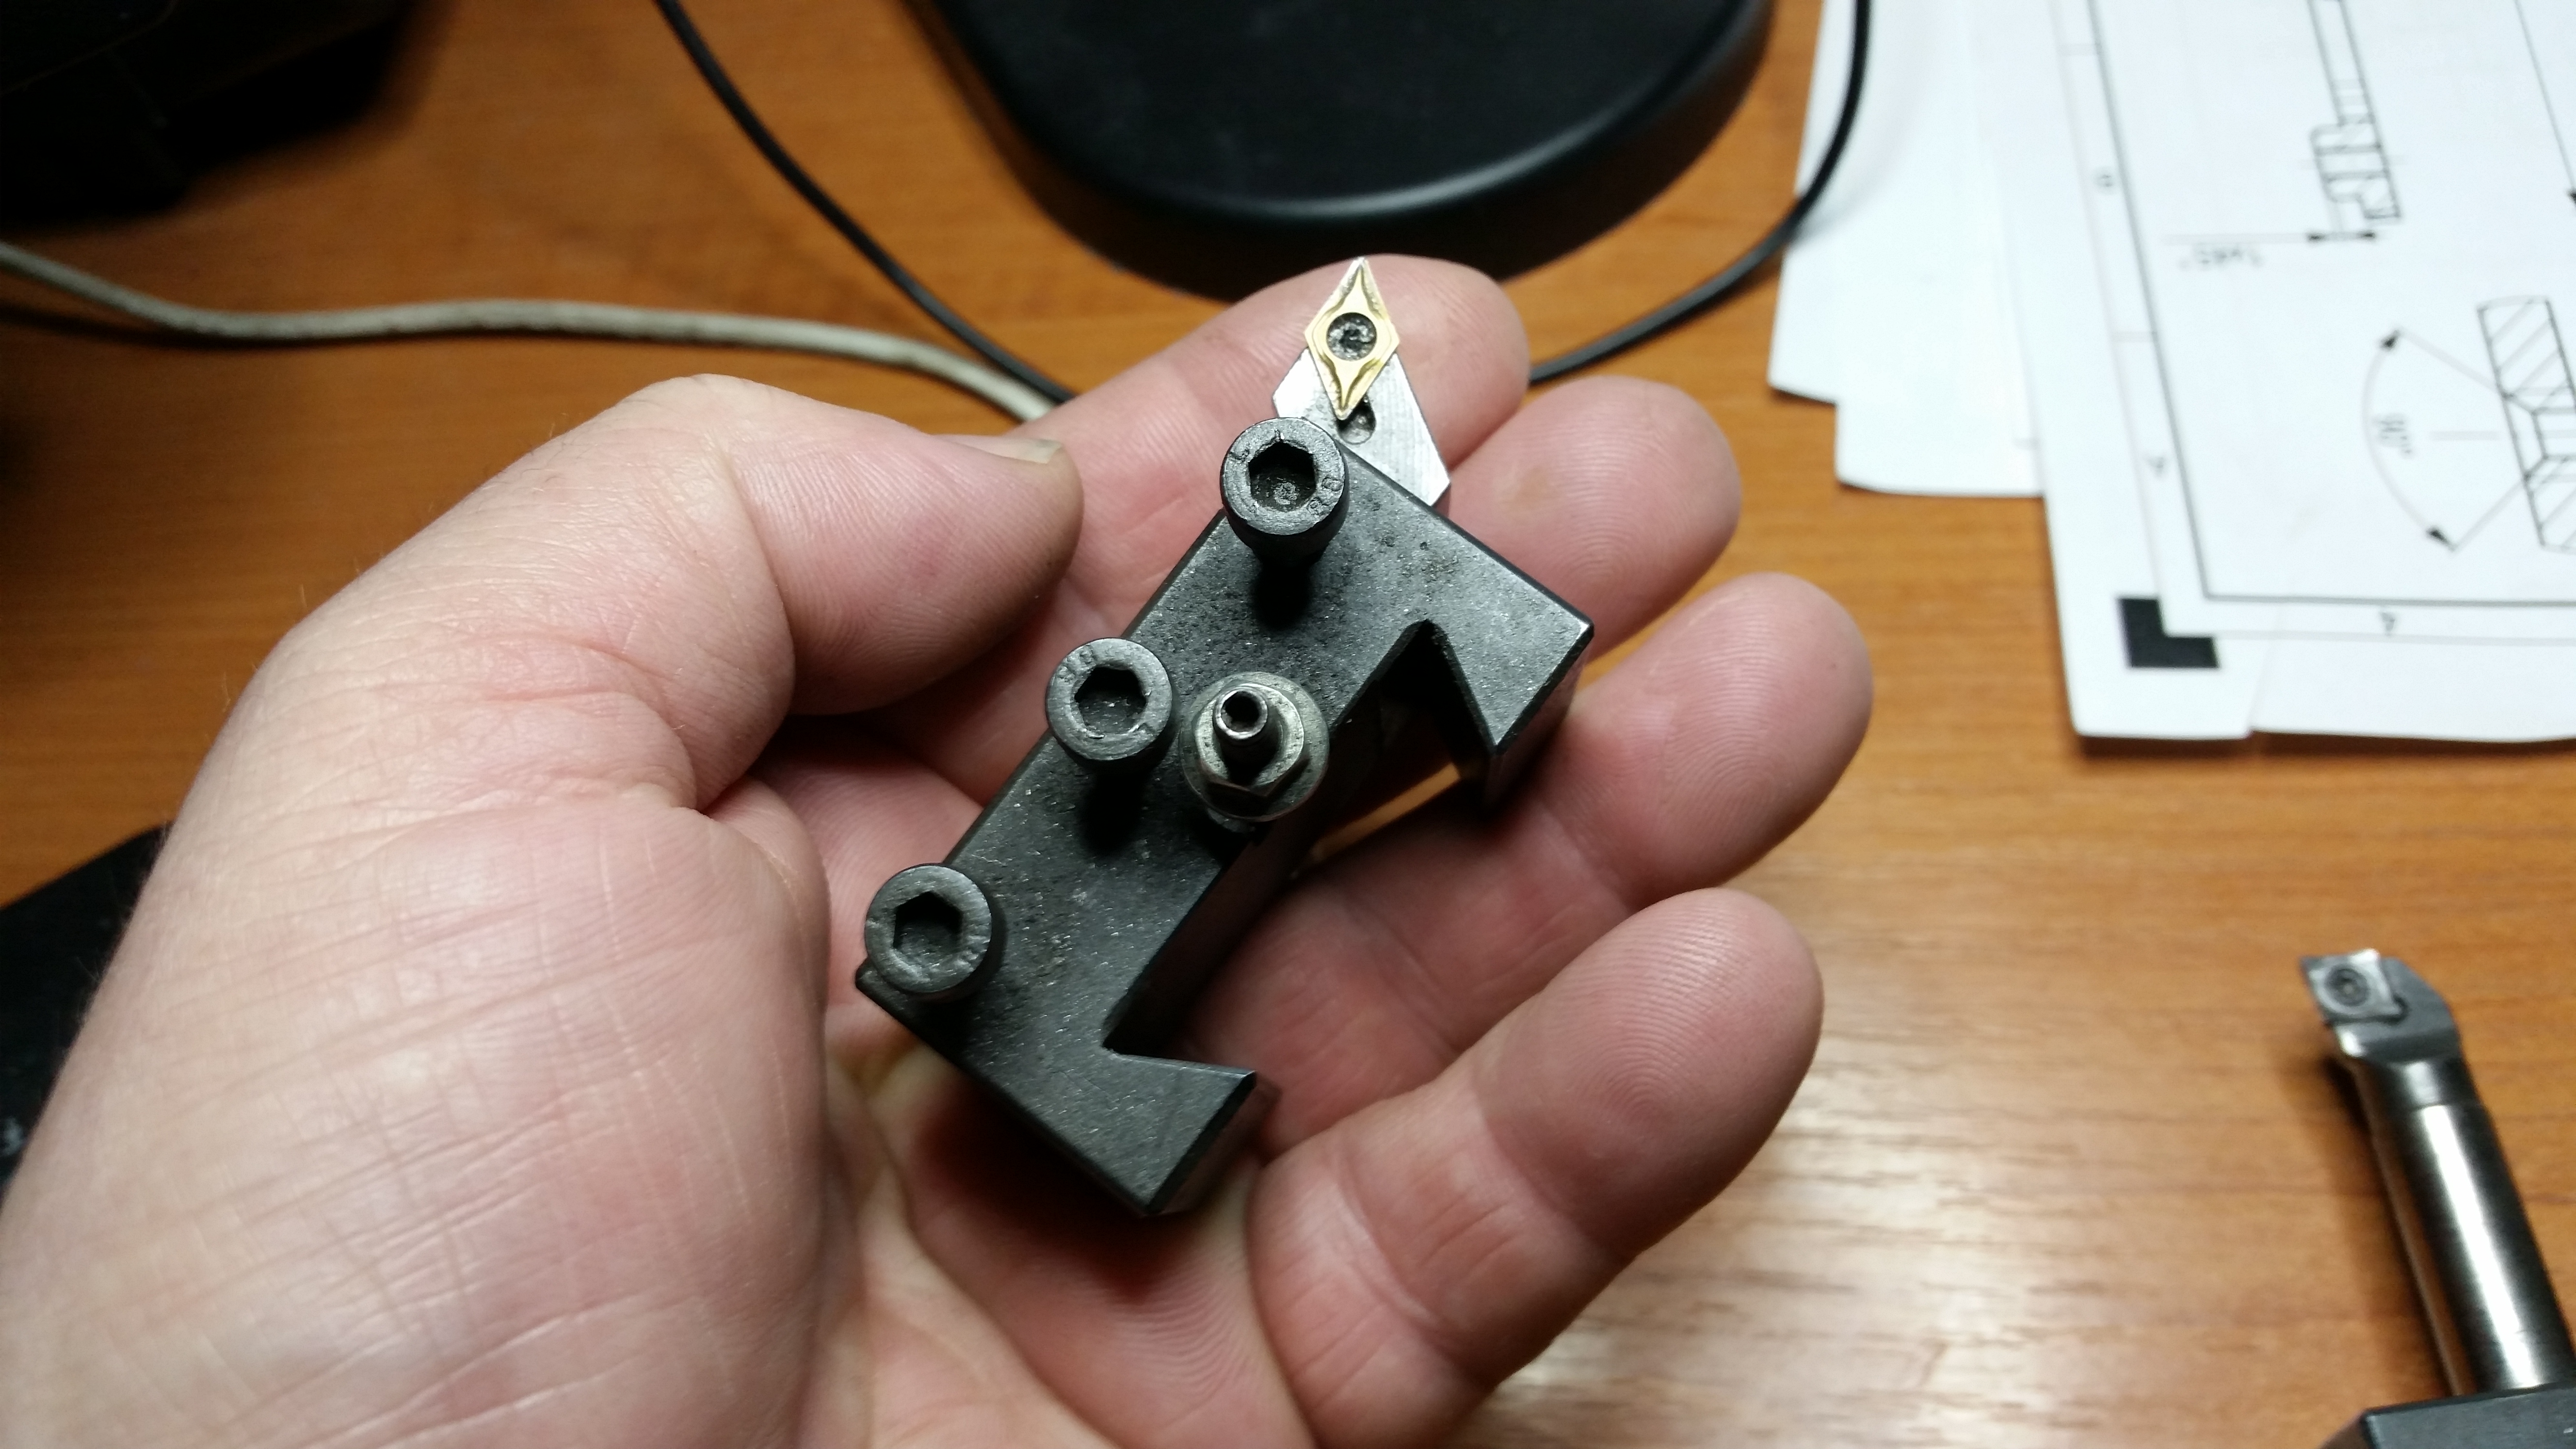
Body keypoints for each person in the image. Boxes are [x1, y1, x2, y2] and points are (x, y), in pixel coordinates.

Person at [0, 259, 1869, 1448]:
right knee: (1073, 865)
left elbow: (1494, 665)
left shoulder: (1343, 588)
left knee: (1203, 768)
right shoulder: (1008, 926)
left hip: (1043, 1007)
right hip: (1010, 1025)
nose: (1232, 733)